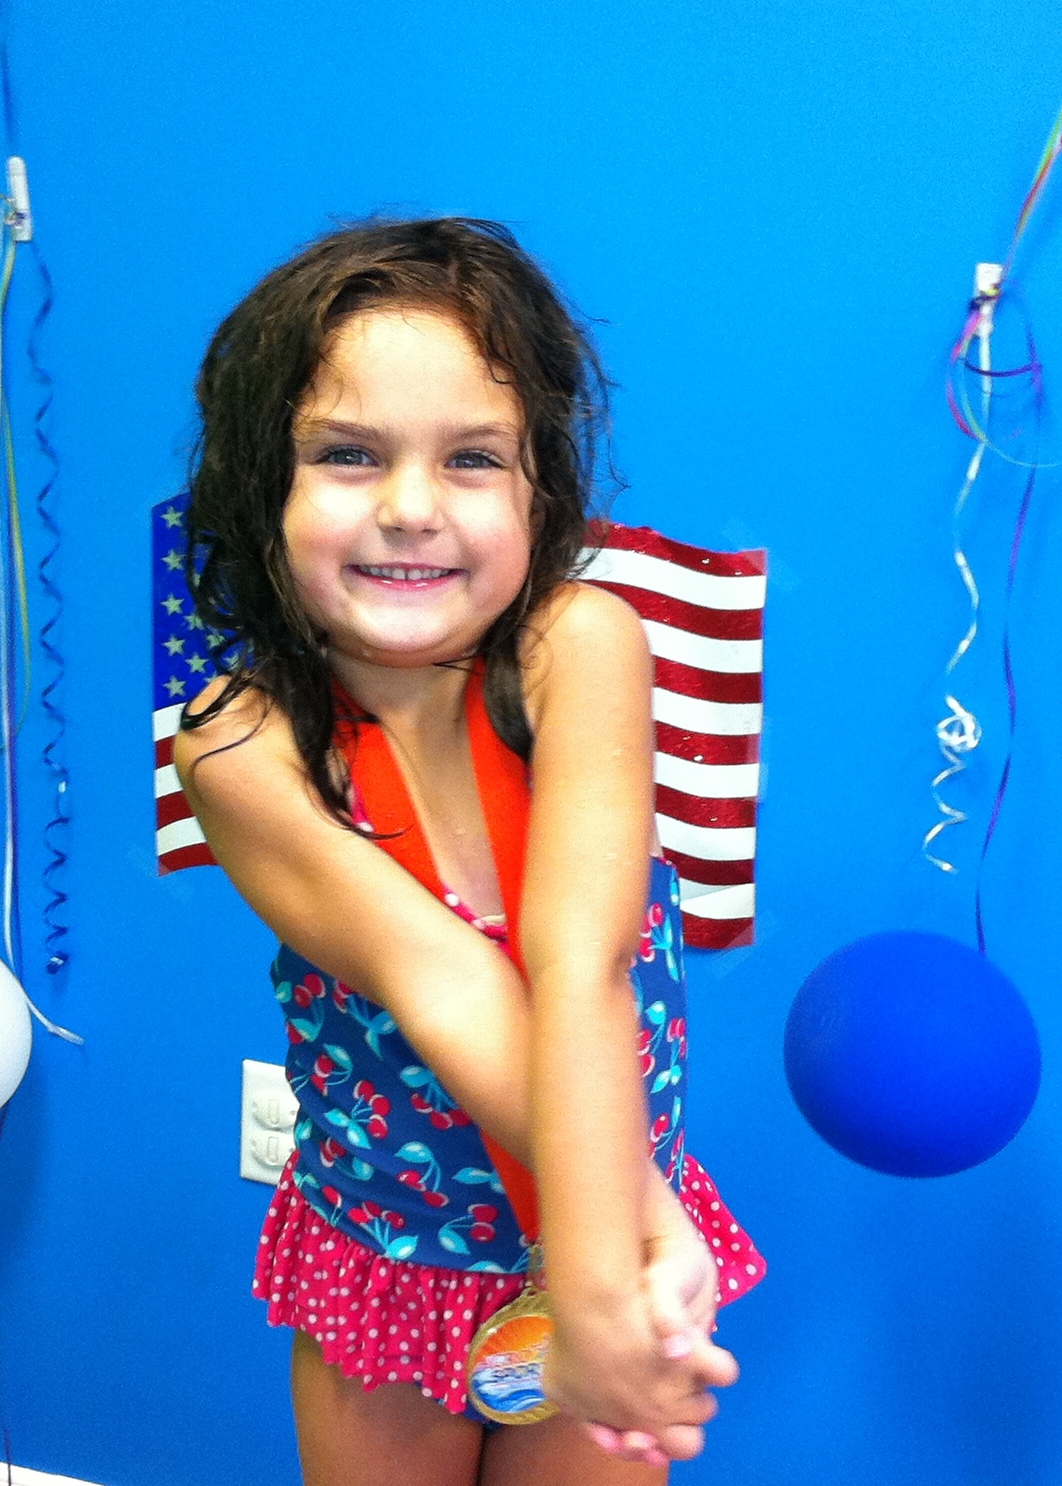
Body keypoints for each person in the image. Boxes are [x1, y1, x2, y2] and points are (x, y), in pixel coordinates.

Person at [174, 217, 763, 1485]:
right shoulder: (240, 745)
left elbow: (576, 963)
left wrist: (602, 1273)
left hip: (604, 1224)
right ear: (259, 486)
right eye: (346, 453)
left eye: (473, 458)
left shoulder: (577, 645)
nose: (408, 508)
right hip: (390, 1257)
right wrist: (625, 1241)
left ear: (539, 489)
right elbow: (443, 980)